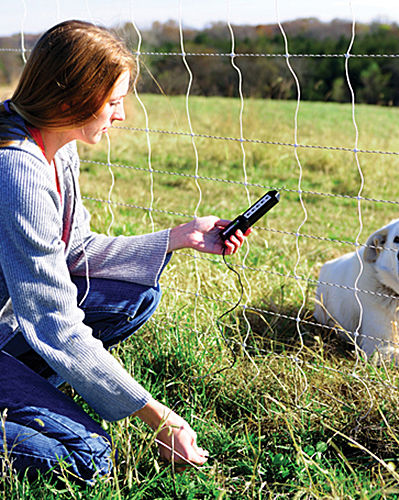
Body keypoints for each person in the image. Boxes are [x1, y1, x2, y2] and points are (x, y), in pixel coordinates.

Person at [0, 20, 249, 483]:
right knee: (87, 457)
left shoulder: (52, 142)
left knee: (133, 294)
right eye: (113, 102)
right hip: (21, 319)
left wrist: (177, 238)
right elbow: (52, 319)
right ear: (70, 100)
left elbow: (73, 253)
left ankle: (28, 390)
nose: (121, 115)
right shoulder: (17, 172)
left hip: (7, 320)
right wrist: (159, 416)